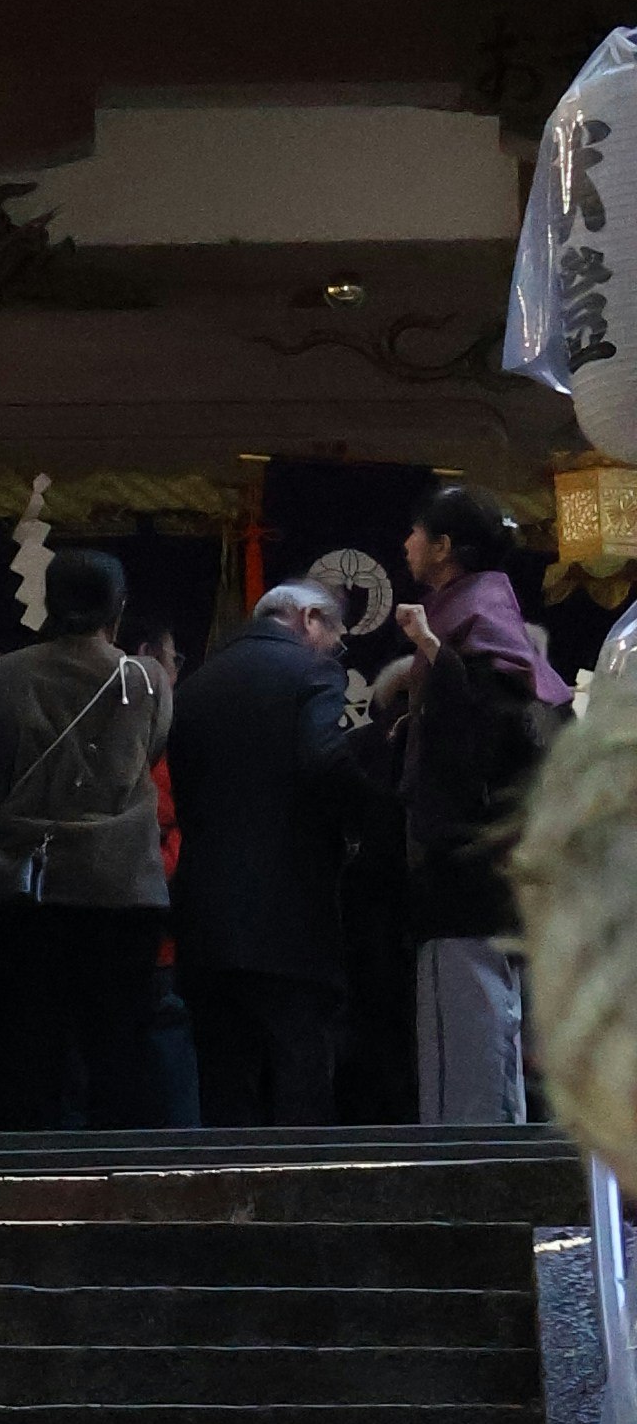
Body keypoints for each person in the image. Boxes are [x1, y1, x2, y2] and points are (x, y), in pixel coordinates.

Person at [359, 482, 568, 1126]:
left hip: (465, 871)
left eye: (418, 533)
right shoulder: (478, 623)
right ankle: (498, 1190)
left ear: (445, 549)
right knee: (486, 1035)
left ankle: (469, 1200)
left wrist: (432, 654)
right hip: (488, 872)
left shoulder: (470, 631)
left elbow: (487, 728)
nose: (407, 544)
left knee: (467, 1046)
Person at [0, 549, 175, 1130]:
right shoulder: (147, 679)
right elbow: (150, 753)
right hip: (123, 884)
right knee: (122, 1043)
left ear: (49, 603)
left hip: (34, 882)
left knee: (30, 1044)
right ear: (119, 606)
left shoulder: (0, 678)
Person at [164, 582, 359, 1123]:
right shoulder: (310, 673)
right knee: (301, 1083)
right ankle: (303, 1203)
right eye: (335, 636)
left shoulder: (196, 685)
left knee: (226, 1092)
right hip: (290, 915)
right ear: (309, 617)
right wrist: (372, 814)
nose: (333, 650)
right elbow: (324, 764)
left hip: (205, 916)